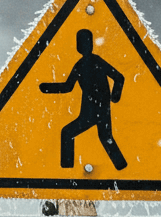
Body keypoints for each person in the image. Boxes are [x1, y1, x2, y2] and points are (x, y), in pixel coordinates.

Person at [39, 28, 127, 170]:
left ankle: (122, 168)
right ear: (78, 46)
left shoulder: (96, 61)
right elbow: (68, 86)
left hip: (98, 109)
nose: (84, 46)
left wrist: (115, 96)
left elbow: (119, 77)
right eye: (82, 43)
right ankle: (120, 167)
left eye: (86, 43)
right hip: (90, 111)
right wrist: (46, 88)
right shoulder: (79, 66)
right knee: (103, 138)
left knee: (101, 137)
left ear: (90, 45)